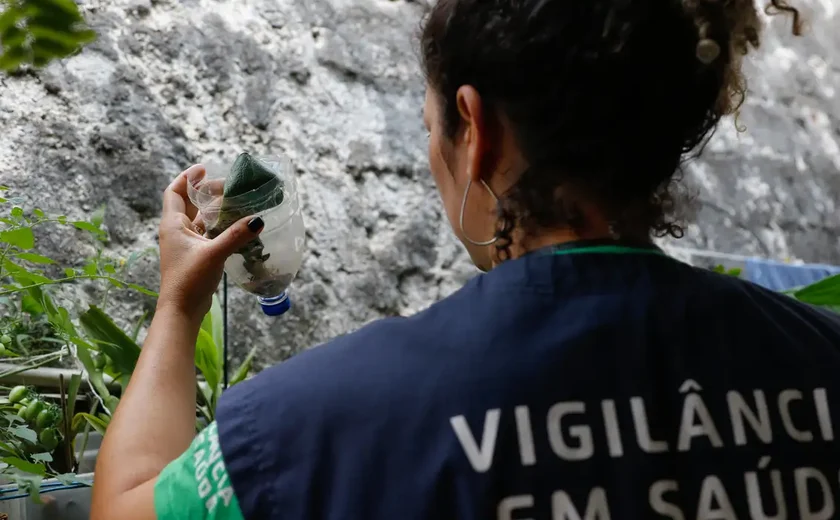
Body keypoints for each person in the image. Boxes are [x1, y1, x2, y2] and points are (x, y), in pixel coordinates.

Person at [90, 0, 837, 519]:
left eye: (431, 124)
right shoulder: (820, 357)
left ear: (476, 130)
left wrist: (179, 303)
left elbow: (126, 504)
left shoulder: (312, 426)